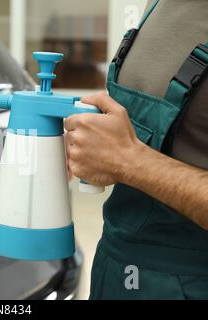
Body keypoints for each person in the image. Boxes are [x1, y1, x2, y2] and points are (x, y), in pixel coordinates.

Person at [64, 0, 208, 299]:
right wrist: (98, 143)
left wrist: (129, 161)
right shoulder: (158, 5)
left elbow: (132, 159)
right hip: (115, 271)